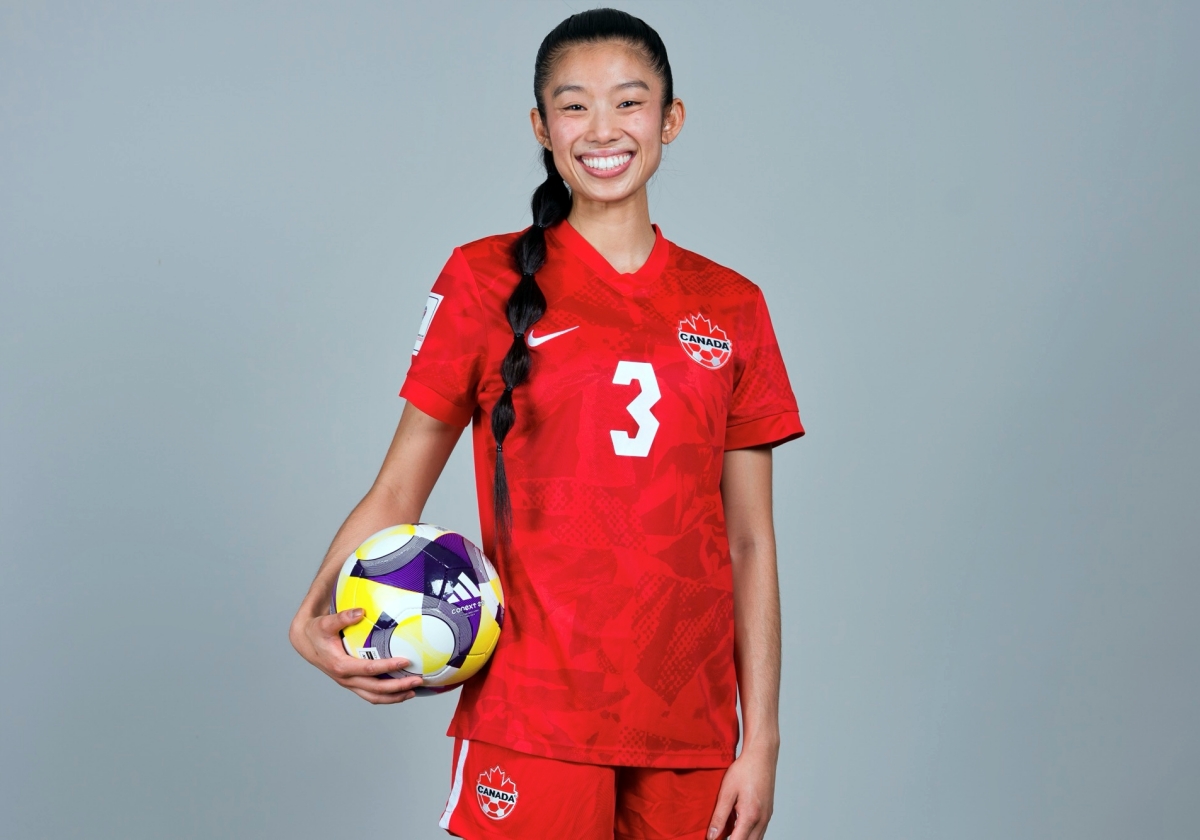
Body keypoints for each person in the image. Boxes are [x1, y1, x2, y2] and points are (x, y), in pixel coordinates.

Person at [289, 9, 803, 840]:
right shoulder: (481, 279)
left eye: (629, 103)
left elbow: (750, 543)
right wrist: (306, 616)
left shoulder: (732, 306)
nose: (603, 129)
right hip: (531, 717)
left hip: (691, 728)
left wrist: (763, 740)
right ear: (541, 126)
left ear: (670, 119)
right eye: (574, 105)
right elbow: (399, 485)